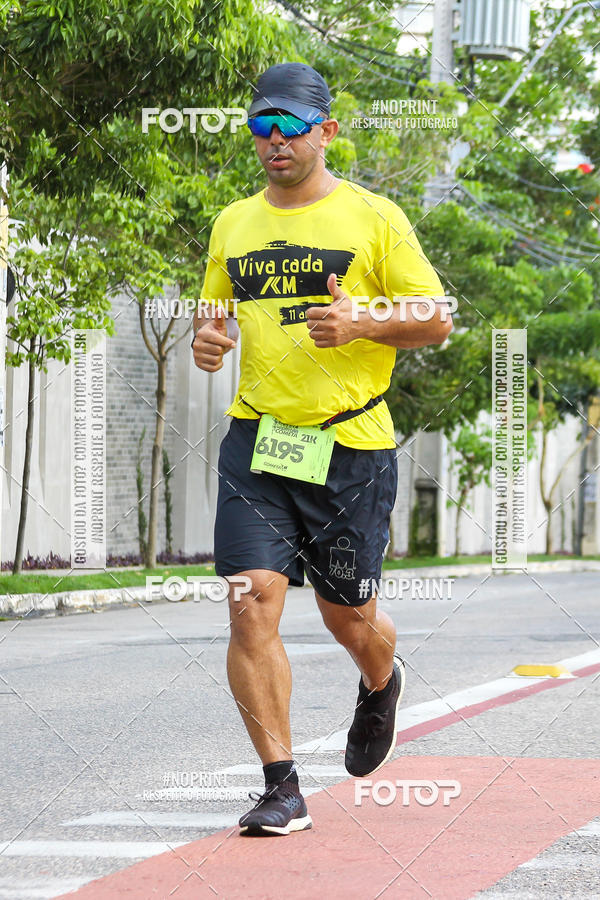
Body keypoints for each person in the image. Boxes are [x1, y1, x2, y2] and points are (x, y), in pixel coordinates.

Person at [192, 62, 452, 836]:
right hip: (258, 443)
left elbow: (435, 316)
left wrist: (365, 323)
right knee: (252, 603)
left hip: (349, 446)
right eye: (260, 128)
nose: (273, 142)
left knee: (349, 617)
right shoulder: (233, 223)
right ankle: (281, 786)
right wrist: (209, 339)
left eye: (289, 127)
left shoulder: (374, 217)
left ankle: (381, 679)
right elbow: (214, 315)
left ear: (325, 132)